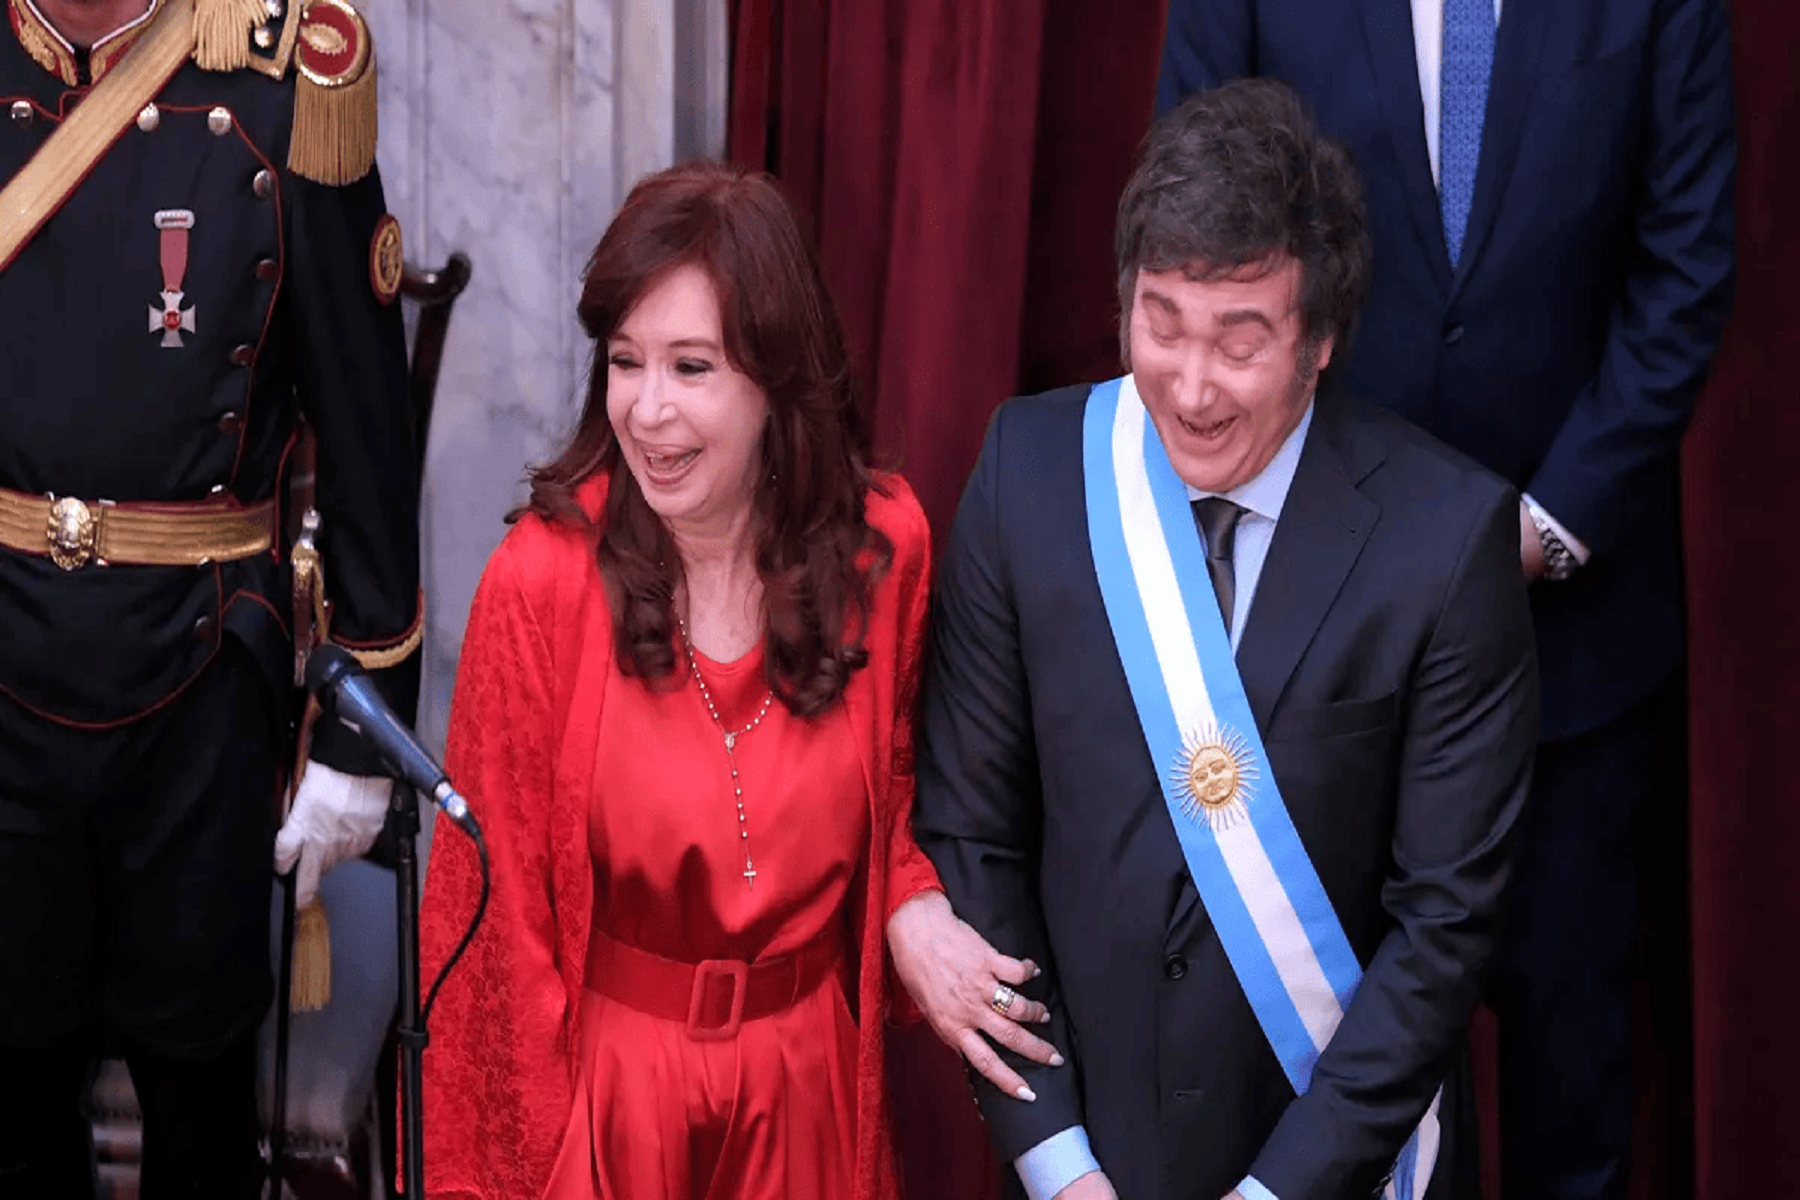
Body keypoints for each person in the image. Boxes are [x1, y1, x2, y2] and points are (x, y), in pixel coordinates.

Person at [896, 80, 1540, 1200]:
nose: (1189, 388)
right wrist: (1057, 1162)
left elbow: (1444, 928)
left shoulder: (1446, 542)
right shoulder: (1031, 475)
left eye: (1240, 342)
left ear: (1321, 339)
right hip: (1087, 1161)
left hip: (1340, 1169)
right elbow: (972, 830)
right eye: (1160, 323)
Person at [1154, 3, 1736, 1196]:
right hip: (1319, 632)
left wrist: (1542, 529)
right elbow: (1195, 224)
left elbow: (1686, 266)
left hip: (1573, 645)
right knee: (1319, 1088)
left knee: (1573, 1097)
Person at [416, 159, 1049, 1200]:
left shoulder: (882, 551)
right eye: (626, 363)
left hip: (806, 1092)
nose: (649, 413)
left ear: (778, 376)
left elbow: (898, 806)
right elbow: (490, 928)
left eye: (692, 367)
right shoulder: (541, 579)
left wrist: (914, 908)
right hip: (611, 1101)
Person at [0, 0, 423, 1194]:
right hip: (2, 675)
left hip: (197, 695)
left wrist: (361, 729)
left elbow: (362, 414)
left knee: (197, 1113)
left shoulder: (291, 71)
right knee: (14, 1098)